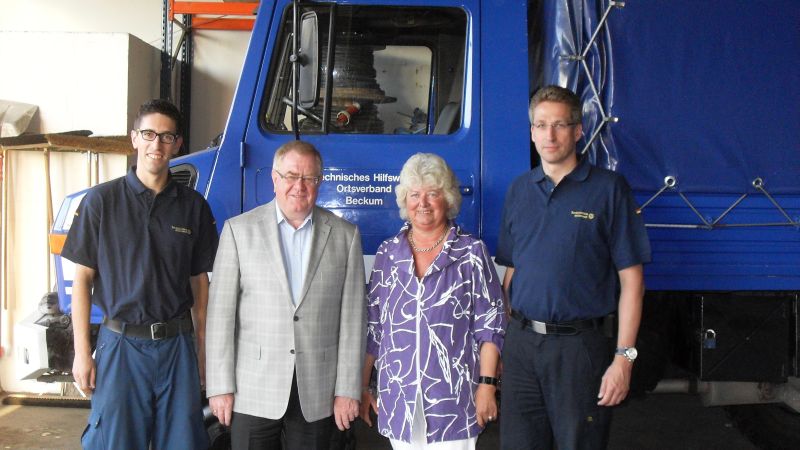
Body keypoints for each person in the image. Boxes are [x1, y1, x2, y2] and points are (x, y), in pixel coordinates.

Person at [496, 85, 652, 449]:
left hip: (579, 350)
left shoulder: (609, 190)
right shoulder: (519, 190)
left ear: (578, 130)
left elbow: (633, 283)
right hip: (521, 347)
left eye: (560, 125)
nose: (549, 135)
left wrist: (624, 360)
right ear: (531, 131)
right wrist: (503, 344)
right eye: (541, 125)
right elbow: (513, 271)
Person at [63, 99, 218, 449]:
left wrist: (203, 351)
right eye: (149, 134)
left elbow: (200, 284)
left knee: (183, 442)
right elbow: (82, 281)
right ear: (134, 138)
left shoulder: (193, 207)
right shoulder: (101, 202)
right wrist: (82, 352)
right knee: (116, 442)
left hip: (178, 347)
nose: (157, 145)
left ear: (178, 144)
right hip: (121, 347)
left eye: (166, 136)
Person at [205, 140, 366, 449]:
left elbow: (353, 322)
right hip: (252, 388)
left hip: (318, 391)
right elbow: (220, 317)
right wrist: (219, 386)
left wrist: (348, 389)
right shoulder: (239, 231)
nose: (299, 186)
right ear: (274, 179)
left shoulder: (345, 236)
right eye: (291, 175)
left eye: (309, 178)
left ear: (319, 182)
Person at [360, 153, 506, 449]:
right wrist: (363, 385)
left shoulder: (472, 253)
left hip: (455, 402)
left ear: (448, 199)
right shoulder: (388, 254)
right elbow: (374, 328)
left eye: (433, 194)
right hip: (398, 398)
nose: (423, 203)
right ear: (405, 199)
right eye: (415, 194)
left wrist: (487, 387)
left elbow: (490, 328)